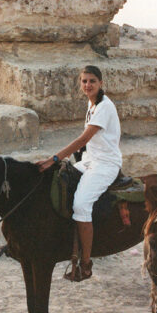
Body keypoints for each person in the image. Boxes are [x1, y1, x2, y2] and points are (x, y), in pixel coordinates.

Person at [36, 65, 123, 281]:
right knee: (59, 181)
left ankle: (85, 264)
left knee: (81, 206)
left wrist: (54, 158)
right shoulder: (92, 104)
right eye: (84, 81)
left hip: (105, 164)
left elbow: (83, 139)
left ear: (100, 83)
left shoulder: (104, 106)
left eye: (92, 81)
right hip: (90, 161)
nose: (87, 85)